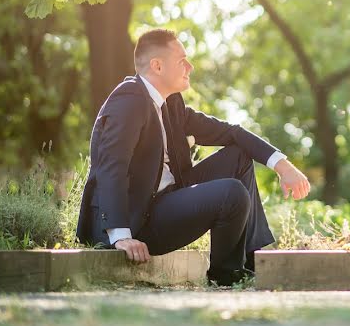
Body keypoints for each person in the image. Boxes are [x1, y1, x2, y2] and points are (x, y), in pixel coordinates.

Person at [76, 28, 310, 285]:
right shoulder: (129, 99)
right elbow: (111, 167)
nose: (190, 66)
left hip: (166, 202)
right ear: (157, 66)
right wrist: (121, 234)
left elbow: (231, 133)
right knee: (230, 193)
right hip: (137, 222)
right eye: (182, 61)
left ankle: (250, 263)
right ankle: (226, 277)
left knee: (238, 157)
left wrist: (282, 165)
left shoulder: (171, 104)